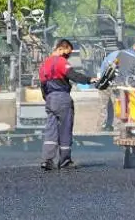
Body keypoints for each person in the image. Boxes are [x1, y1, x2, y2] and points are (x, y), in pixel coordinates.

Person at [39, 39, 98, 171]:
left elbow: (42, 86)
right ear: (61, 49)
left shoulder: (44, 65)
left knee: (51, 130)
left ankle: (47, 160)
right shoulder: (61, 62)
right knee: (65, 128)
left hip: (50, 98)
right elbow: (73, 75)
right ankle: (65, 161)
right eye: (68, 53)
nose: (68, 56)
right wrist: (90, 79)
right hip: (62, 98)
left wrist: (48, 99)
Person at [98, 41, 135, 131]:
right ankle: (116, 129)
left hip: (104, 81)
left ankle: (100, 128)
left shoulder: (118, 53)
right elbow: (134, 74)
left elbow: (108, 66)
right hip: (117, 84)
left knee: (104, 106)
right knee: (118, 106)